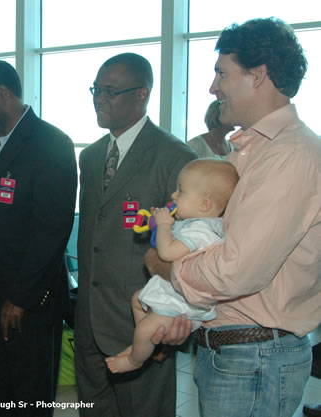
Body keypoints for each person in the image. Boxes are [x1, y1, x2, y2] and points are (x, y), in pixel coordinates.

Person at [146, 18, 320, 417]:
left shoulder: (288, 156)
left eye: (222, 73)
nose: (212, 87)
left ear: (257, 75)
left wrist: (164, 264)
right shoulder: (247, 155)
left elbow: (235, 271)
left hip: (256, 357)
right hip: (238, 351)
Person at [74, 52, 197, 417]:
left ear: (141, 95)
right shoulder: (92, 157)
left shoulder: (174, 157)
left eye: (110, 92)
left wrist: (174, 324)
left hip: (142, 323)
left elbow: (189, 249)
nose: (99, 99)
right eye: (96, 89)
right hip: (89, 321)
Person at [0, 60, 77, 416]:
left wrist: (20, 297)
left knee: (27, 397)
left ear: (2, 93)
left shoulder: (51, 142)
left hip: (27, 302)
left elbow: (53, 229)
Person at [106, 159, 239, 373]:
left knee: (145, 328)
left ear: (204, 204)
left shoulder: (202, 232)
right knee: (136, 301)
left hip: (180, 302)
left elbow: (167, 253)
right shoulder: (195, 223)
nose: (173, 196)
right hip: (171, 291)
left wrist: (165, 225)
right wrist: (160, 225)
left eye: (180, 191)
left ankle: (135, 359)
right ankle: (144, 340)